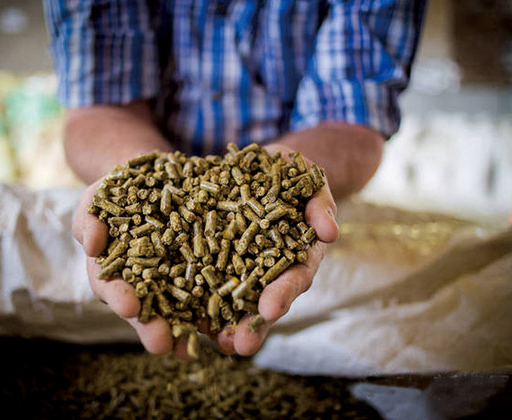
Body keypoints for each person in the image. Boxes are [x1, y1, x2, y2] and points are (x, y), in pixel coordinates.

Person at [43, 0, 426, 358]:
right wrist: (137, 174)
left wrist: (290, 174)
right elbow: (100, 106)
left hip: (313, 208)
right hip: (155, 170)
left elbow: (351, 117)